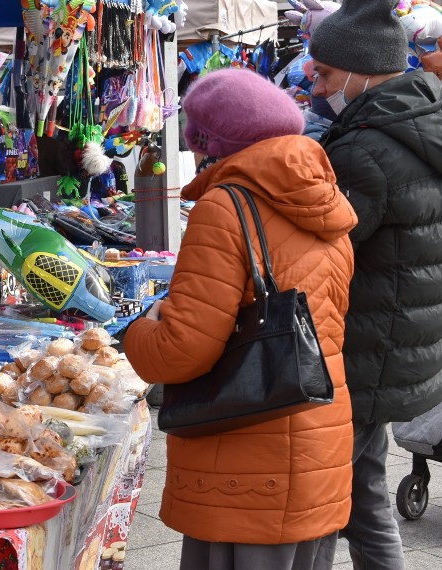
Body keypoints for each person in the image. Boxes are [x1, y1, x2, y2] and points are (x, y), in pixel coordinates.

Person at [124, 68, 357, 569]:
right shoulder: (325, 197)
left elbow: (181, 349)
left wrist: (137, 329)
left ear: (211, 141)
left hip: (247, 450)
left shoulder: (226, 205)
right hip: (319, 430)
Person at [309, 1, 442, 567]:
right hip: (400, 337)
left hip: (367, 344)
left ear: (363, 70)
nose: (317, 87)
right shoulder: (415, 120)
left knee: (324, 496)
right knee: (362, 495)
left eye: (326, 75)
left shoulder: (368, 147)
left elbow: (324, 245)